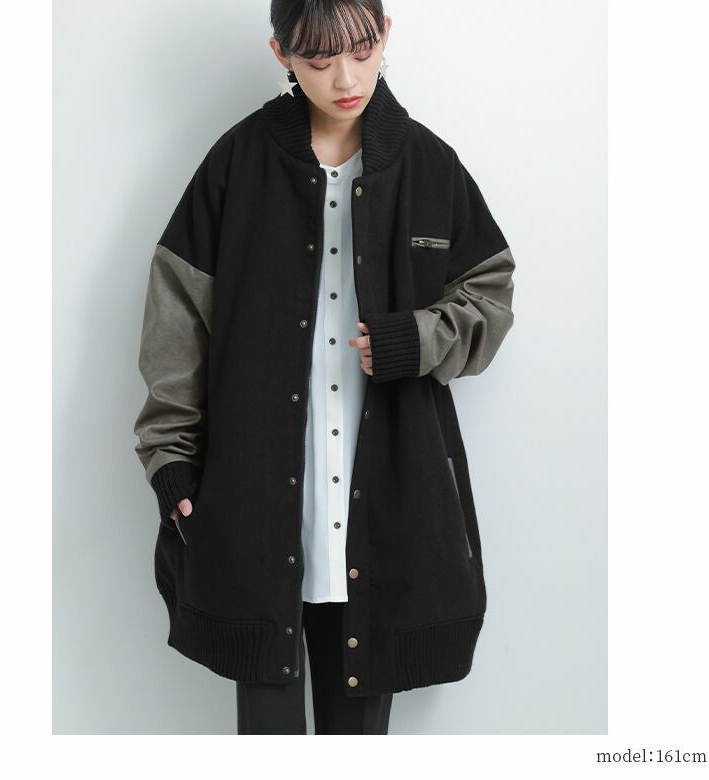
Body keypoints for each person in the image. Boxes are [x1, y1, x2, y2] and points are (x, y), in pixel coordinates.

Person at [134, 0, 515, 735]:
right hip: (254, 503)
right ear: (281, 53)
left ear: (385, 35)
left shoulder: (430, 166)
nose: (346, 78)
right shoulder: (237, 163)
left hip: (390, 506)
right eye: (318, 59)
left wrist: (414, 339)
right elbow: (176, 317)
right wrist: (170, 459)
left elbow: (489, 297)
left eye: (362, 51)